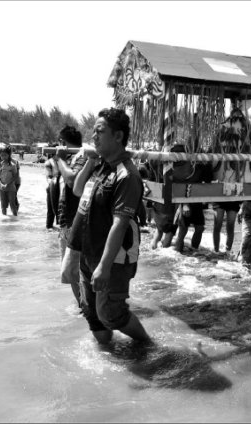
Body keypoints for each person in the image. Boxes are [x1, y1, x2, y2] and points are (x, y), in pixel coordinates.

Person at [68, 107, 150, 345]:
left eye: (100, 131)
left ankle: (147, 345)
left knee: (111, 314)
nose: (93, 136)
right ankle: (110, 361)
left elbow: (120, 223)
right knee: (93, 315)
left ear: (118, 137)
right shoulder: (101, 164)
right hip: (88, 250)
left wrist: (104, 267)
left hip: (112, 257)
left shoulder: (127, 175)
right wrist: (90, 162)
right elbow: (77, 190)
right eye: (93, 131)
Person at [54, 125, 87, 308]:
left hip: (75, 224)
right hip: (71, 222)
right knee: (75, 271)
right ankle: (85, 309)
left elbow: (72, 180)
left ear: (62, 143)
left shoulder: (79, 157)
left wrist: (59, 159)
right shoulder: (76, 157)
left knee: (73, 270)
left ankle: (85, 309)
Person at [0, 145, 19, 216]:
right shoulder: (0, 165)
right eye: (1, 155)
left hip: (11, 187)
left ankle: (15, 219)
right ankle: (4, 219)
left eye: (5, 155)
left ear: (9, 155)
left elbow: (15, 176)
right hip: (1, 188)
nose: (3, 157)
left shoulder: (13, 165)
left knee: (12, 204)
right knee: (3, 205)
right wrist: (1, 184)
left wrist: (8, 184)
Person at [45, 153, 60, 229]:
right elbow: (49, 177)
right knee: (51, 209)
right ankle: (49, 227)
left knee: (60, 208)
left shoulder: (62, 161)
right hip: (52, 187)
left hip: (60, 186)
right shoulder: (49, 163)